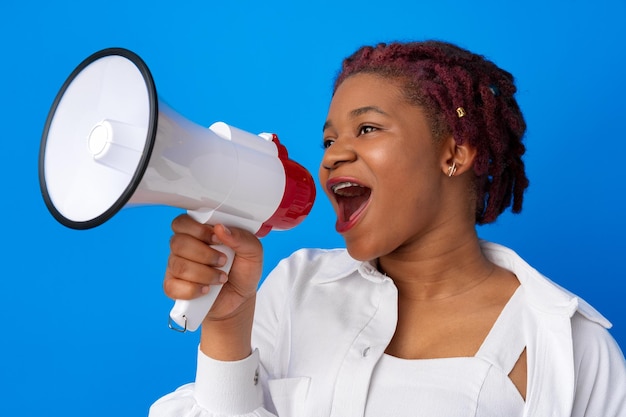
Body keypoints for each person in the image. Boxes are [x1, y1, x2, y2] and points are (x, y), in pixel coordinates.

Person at [149, 40, 626, 417]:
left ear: (454, 153)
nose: (332, 154)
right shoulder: (297, 286)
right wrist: (227, 323)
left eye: (368, 129)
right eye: (329, 139)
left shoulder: (569, 345)